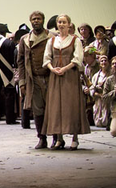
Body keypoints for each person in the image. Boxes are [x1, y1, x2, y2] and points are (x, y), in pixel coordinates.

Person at [42, 14, 90, 150]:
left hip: (70, 76)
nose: (61, 24)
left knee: (71, 105)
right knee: (56, 106)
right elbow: (46, 59)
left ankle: (75, 138)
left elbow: (78, 59)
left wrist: (65, 68)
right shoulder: (52, 41)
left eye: (64, 22)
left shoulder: (75, 40)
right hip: (55, 76)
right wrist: (53, 69)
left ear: (69, 24)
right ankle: (59, 138)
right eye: (59, 22)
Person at [18, 11, 57, 148]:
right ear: (30, 21)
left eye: (38, 19)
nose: (36, 21)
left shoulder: (52, 37)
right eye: (34, 19)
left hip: (50, 78)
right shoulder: (25, 39)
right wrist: (22, 82)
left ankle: (56, 138)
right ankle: (42, 138)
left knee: (52, 109)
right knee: (37, 110)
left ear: (43, 20)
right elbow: (21, 62)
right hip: (33, 80)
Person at [90, 55, 111, 128]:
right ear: (99, 63)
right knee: (98, 122)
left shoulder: (111, 75)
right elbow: (91, 89)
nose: (104, 62)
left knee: (106, 120)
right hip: (98, 100)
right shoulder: (96, 76)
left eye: (105, 60)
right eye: (102, 61)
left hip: (107, 100)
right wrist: (98, 94)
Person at [102, 56, 116, 136]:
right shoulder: (109, 80)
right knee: (113, 131)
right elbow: (104, 97)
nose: (115, 65)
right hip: (115, 111)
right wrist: (114, 92)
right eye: (113, 64)